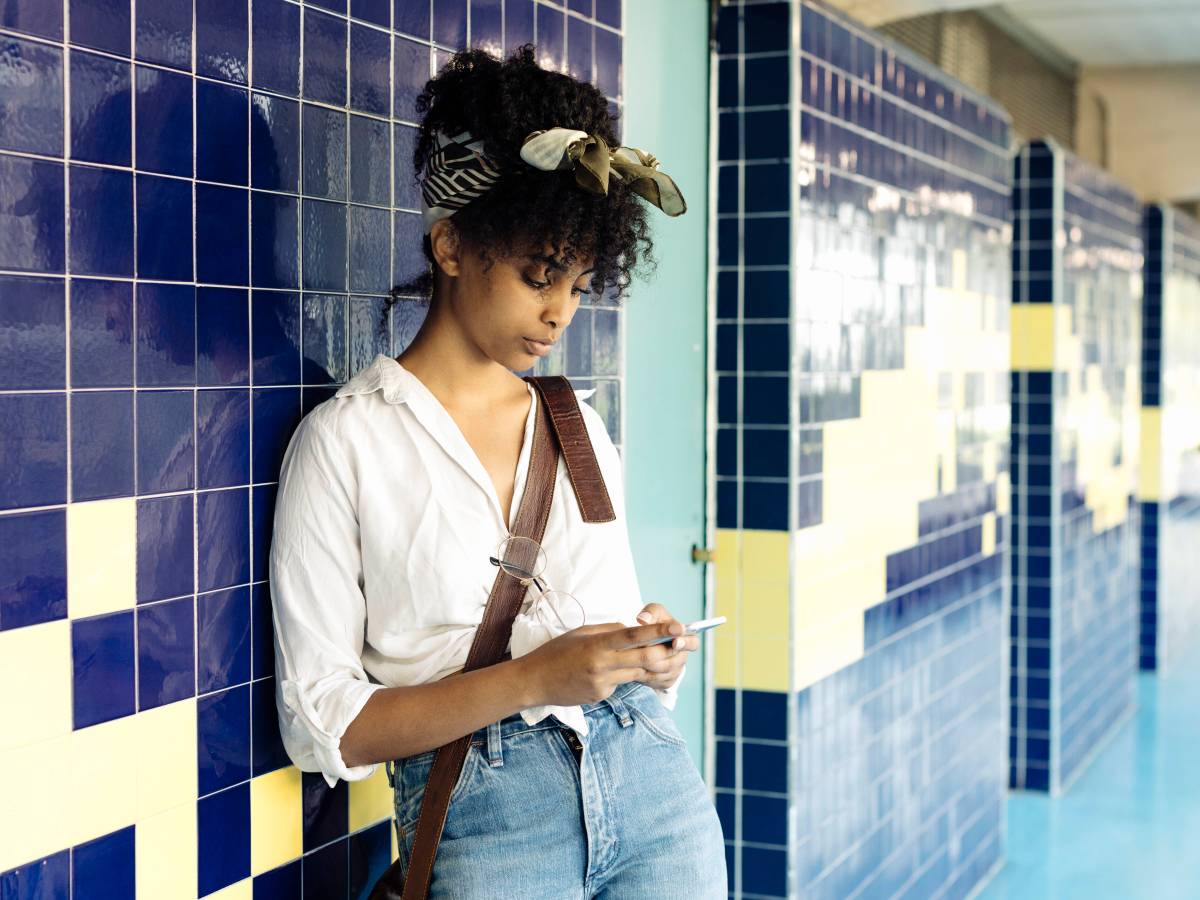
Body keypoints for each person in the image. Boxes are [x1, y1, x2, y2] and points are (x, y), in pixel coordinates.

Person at [268, 44, 726, 897]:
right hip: (489, 816)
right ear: (450, 244)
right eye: (538, 275)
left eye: (581, 282)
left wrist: (649, 657)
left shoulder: (578, 426)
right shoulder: (346, 444)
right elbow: (328, 725)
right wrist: (531, 680)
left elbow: (605, 627)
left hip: (657, 793)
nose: (560, 312)